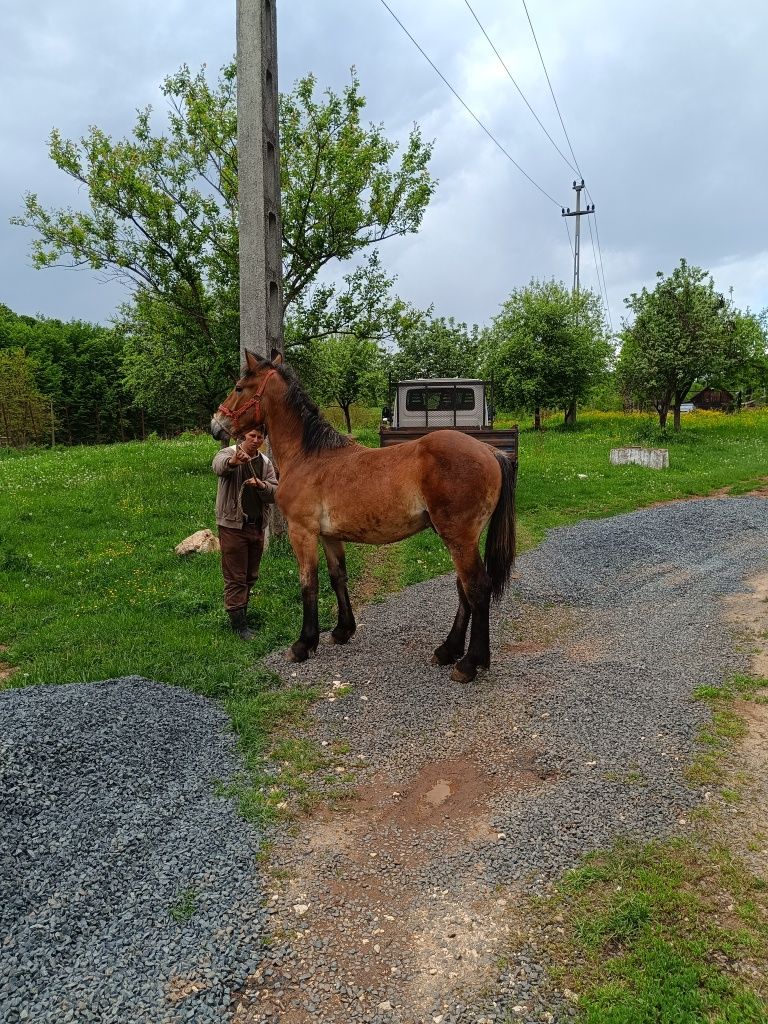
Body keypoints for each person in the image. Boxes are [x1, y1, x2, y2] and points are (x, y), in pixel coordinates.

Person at [212, 424, 278, 639]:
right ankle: (238, 626)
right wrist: (234, 462)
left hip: (256, 525)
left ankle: (243, 615)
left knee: (250, 575)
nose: (256, 440)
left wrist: (262, 486)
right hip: (233, 526)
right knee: (235, 576)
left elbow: (275, 492)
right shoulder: (228, 453)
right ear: (242, 437)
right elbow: (218, 467)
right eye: (252, 435)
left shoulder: (265, 462)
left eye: (260, 437)